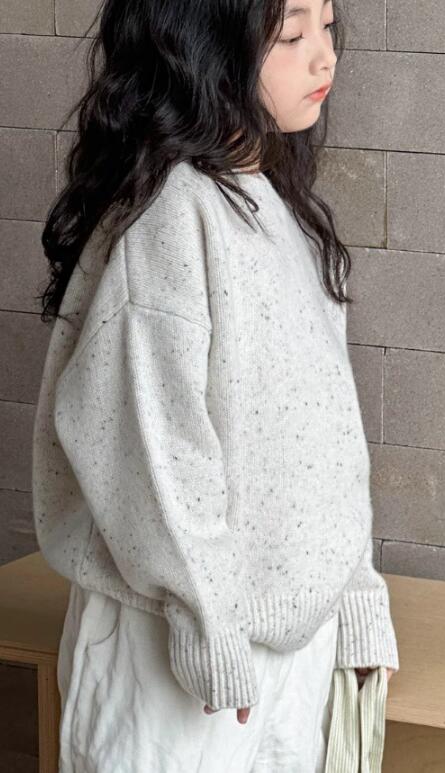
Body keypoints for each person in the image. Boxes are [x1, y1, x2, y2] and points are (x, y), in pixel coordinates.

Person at [31, 0, 399, 770]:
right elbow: (155, 448)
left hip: (280, 657)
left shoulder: (279, 209)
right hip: (181, 663)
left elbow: (330, 443)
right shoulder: (172, 214)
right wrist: (210, 625)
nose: (324, 57)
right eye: (291, 34)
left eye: (327, 26)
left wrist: (359, 603)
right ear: (205, 44)